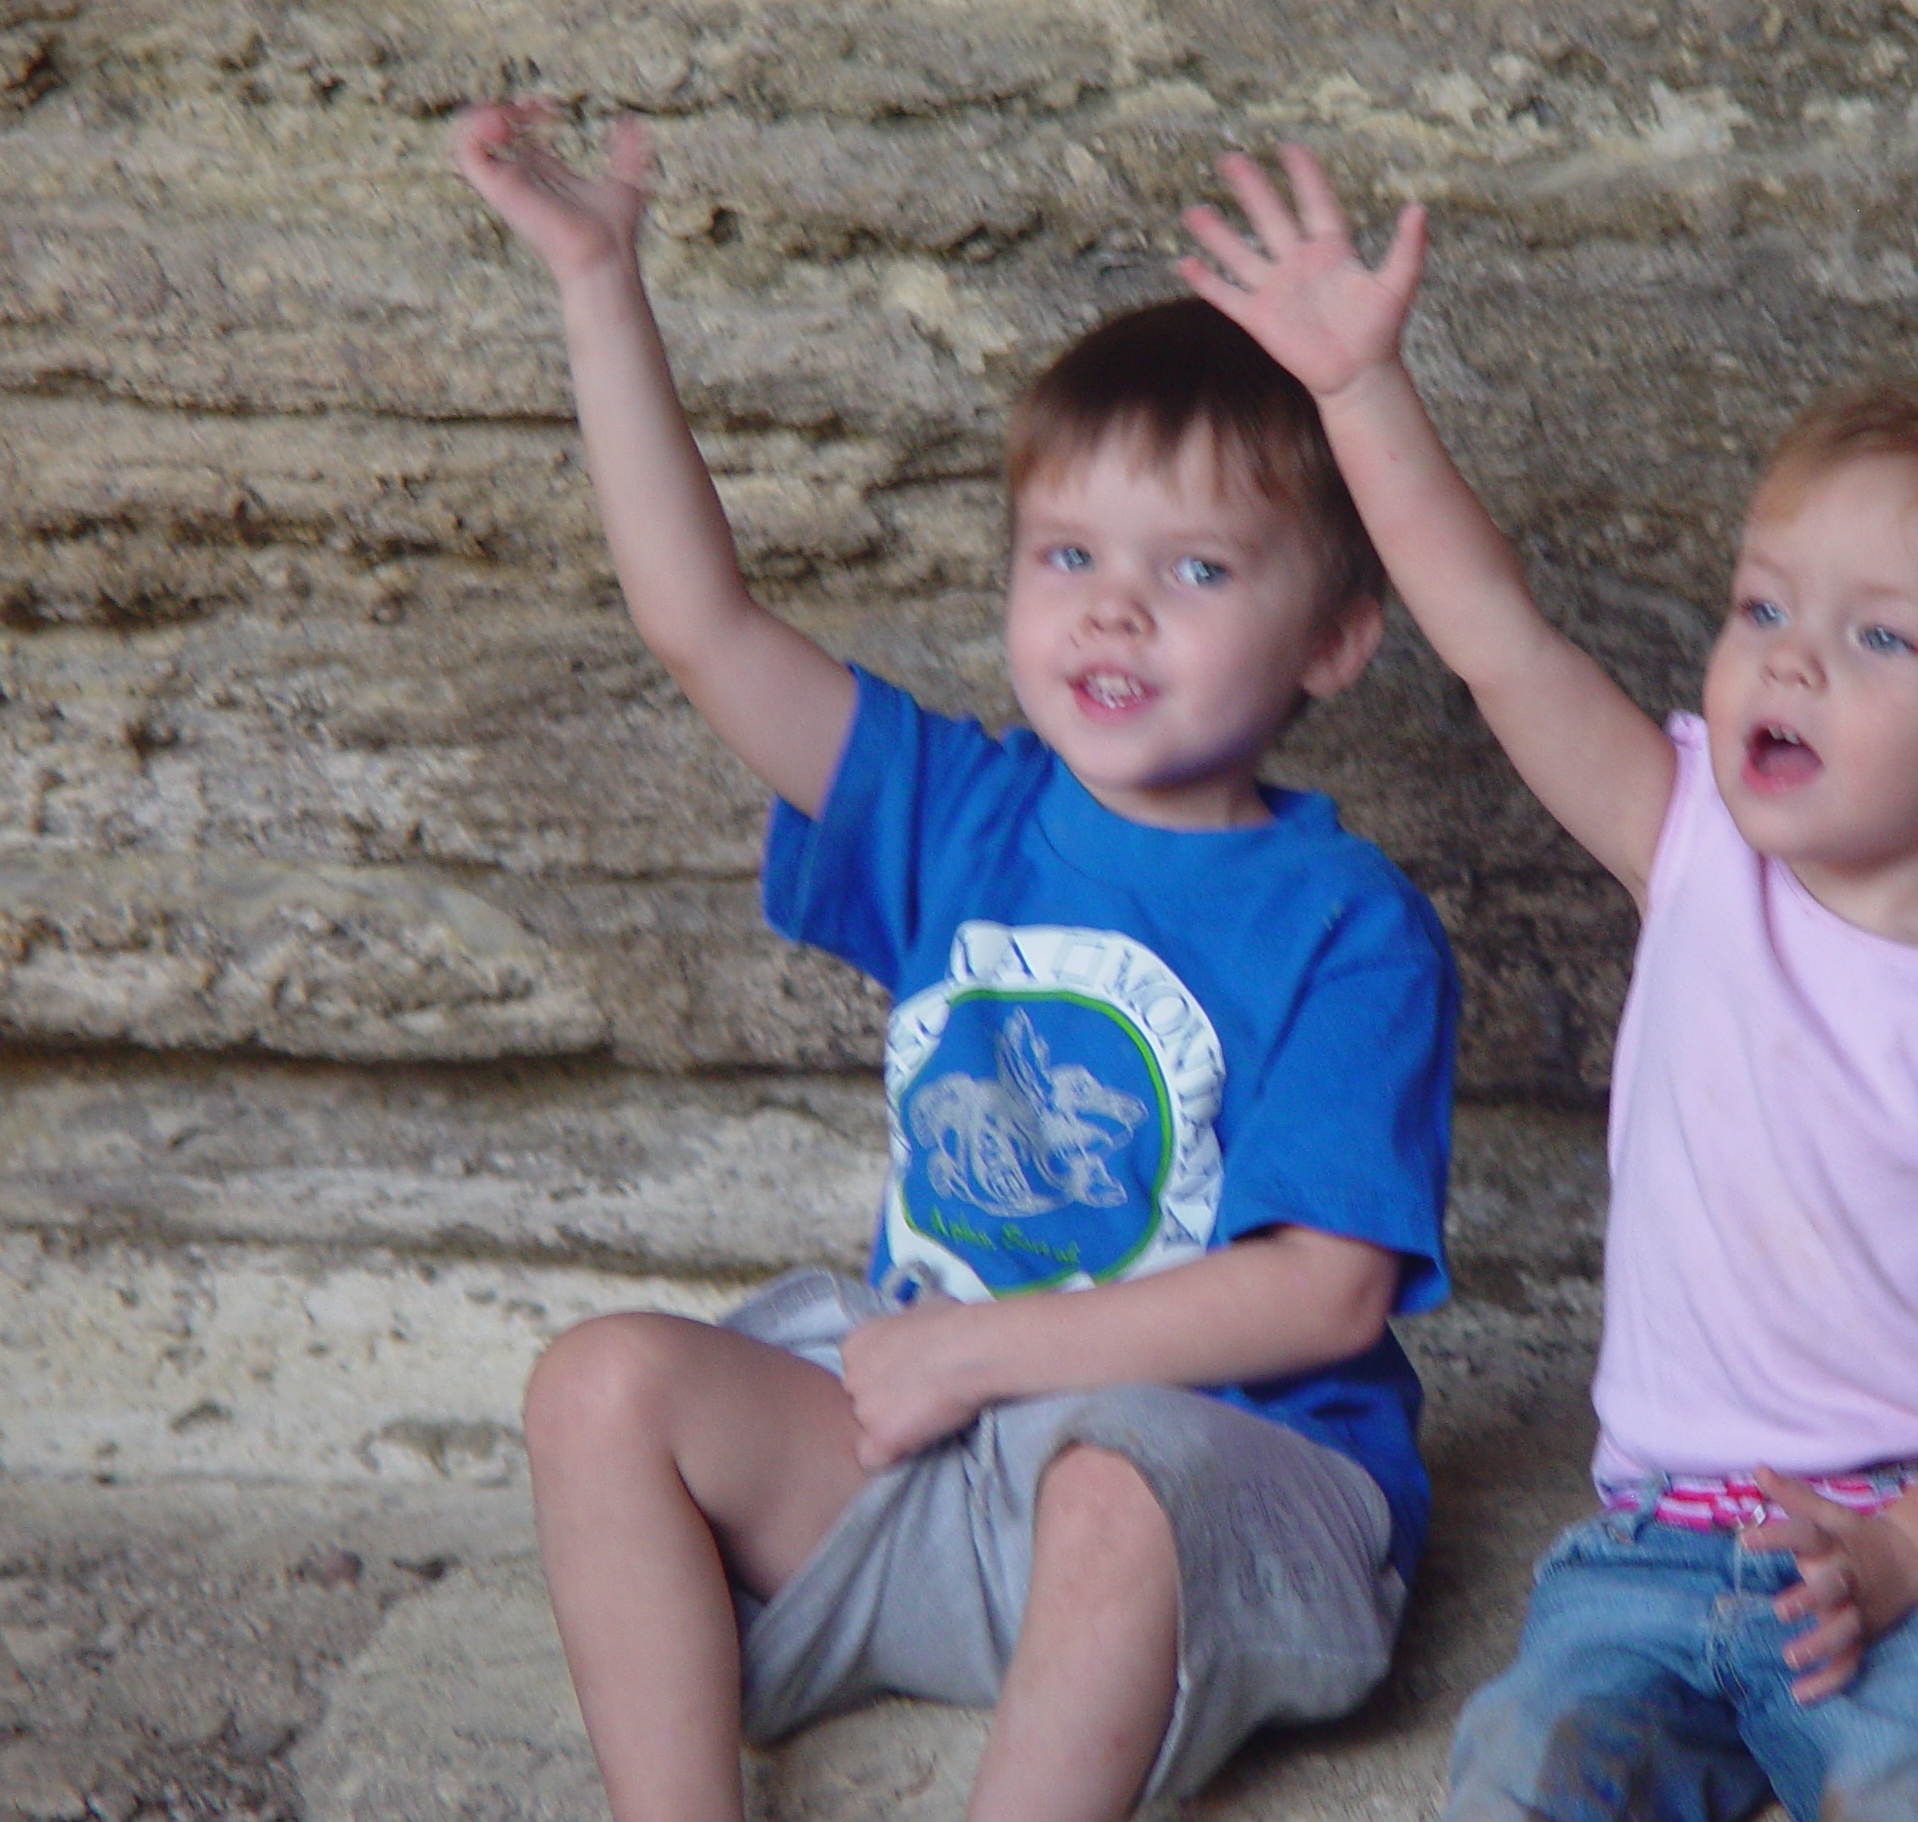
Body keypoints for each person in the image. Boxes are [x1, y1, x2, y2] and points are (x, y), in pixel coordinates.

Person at [1178, 146, 1918, 1822]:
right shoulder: (1695, 847)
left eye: (1881, 637)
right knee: (1527, 1764)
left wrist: (1909, 1554)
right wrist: (1362, 386)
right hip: (1654, 1541)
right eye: (1763, 604)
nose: (1790, 655)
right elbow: (1497, 637)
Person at [449, 103, 1458, 1822]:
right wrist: (602, 287)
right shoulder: (951, 811)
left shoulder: (1347, 924)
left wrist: (984, 1360)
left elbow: (1324, 1294)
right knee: (600, 1384)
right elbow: (702, 626)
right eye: (1069, 555)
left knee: (1111, 1484)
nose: (1112, 610)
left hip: (1212, 1489)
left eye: (1195, 569)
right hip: (929, 1451)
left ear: (1338, 638)